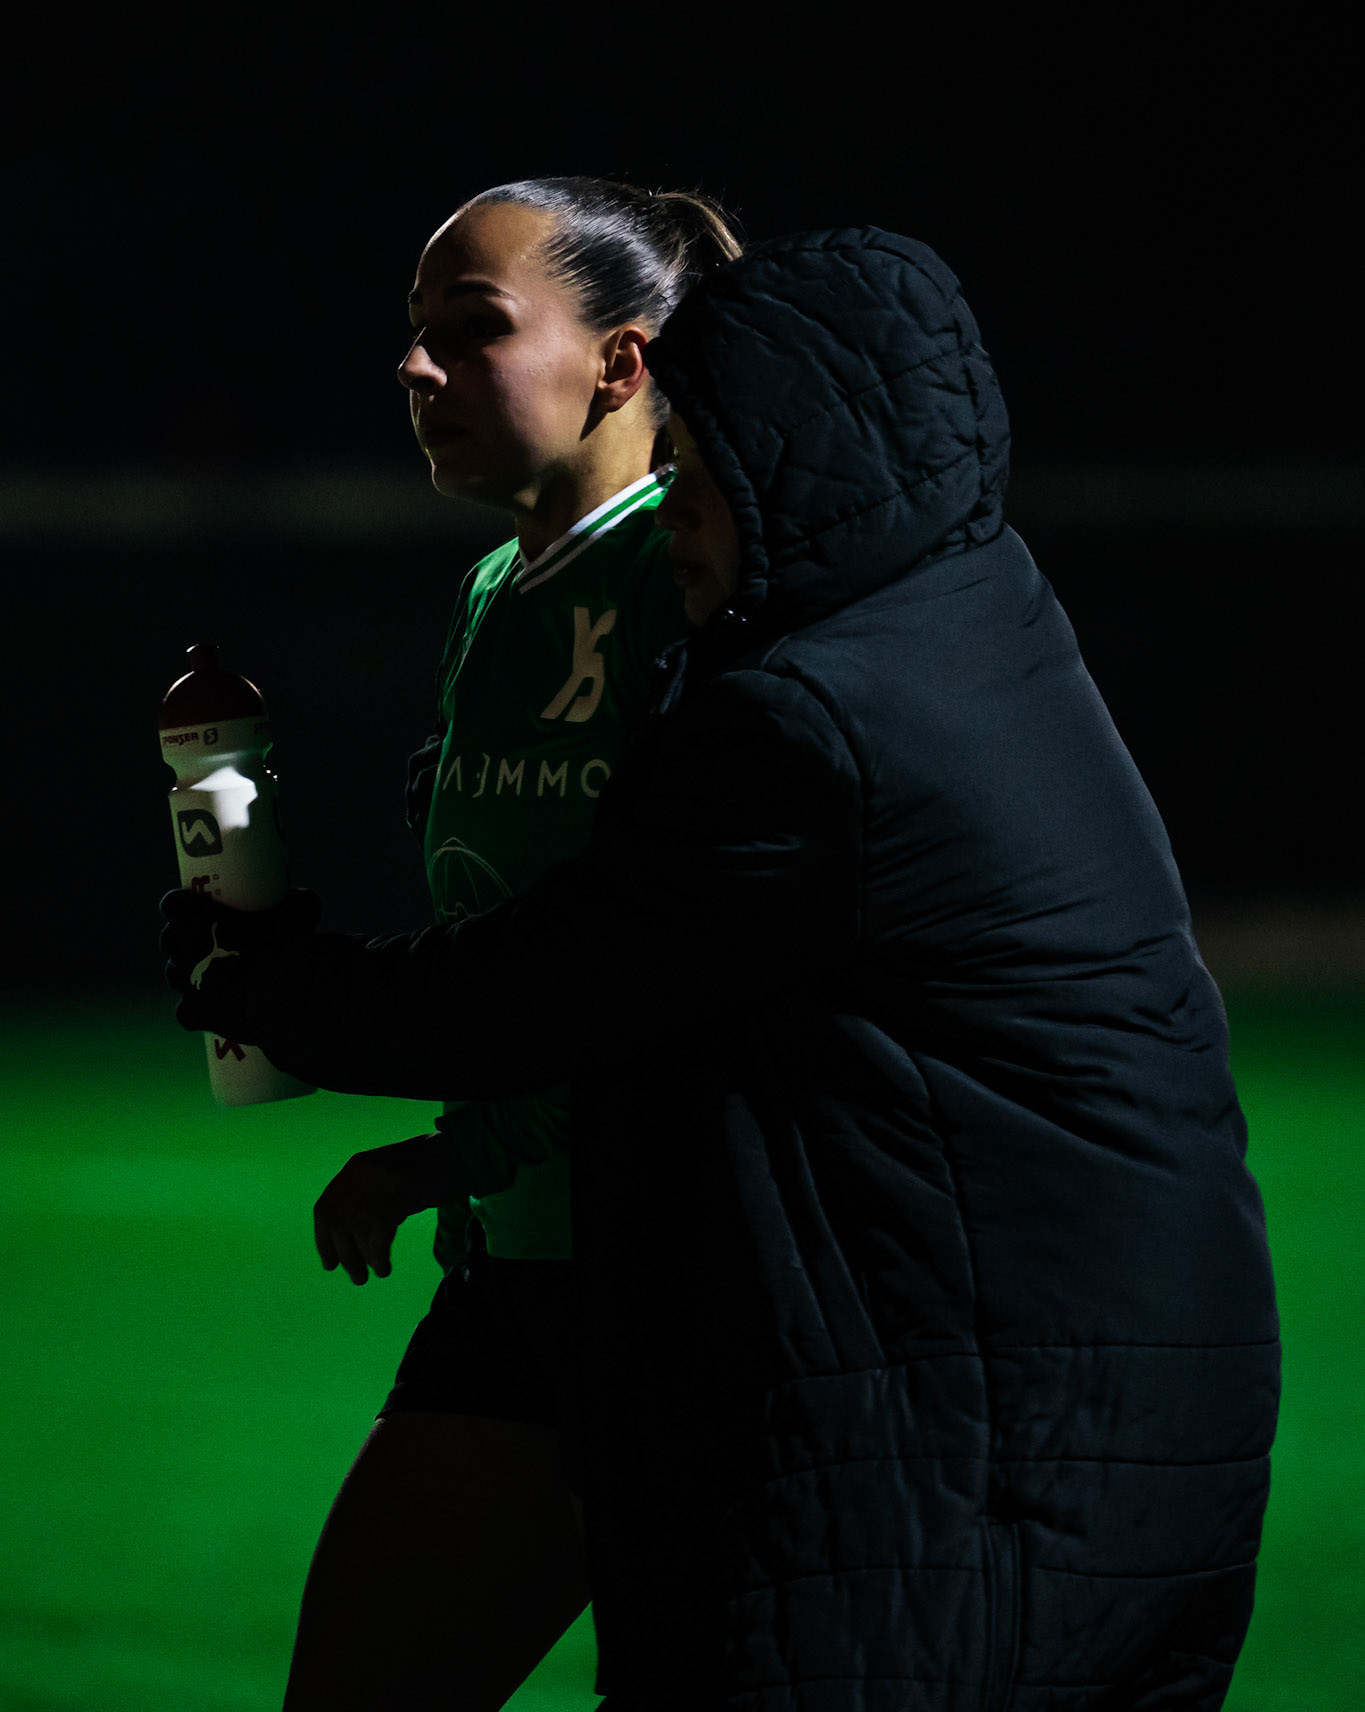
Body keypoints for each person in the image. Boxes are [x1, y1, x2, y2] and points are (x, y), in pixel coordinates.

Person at [165, 225, 1279, 1709]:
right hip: (840, 1317)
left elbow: (556, 978)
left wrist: (264, 985)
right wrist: (466, 1153)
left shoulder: (811, 710)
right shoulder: (938, 622)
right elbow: (682, 998)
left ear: (781, 457)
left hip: (929, 1373)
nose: (669, 502)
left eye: (692, 465)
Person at [277, 175, 740, 1710]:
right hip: (519, 1269)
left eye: (470, 331)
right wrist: (459, 1157)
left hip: (689, 1287)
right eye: (414, 336)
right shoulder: (496, 586)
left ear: (621, 363)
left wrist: (450, 1136)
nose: (417, 370)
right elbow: (533, 953)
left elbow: (672, 960)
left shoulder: (696, 572)